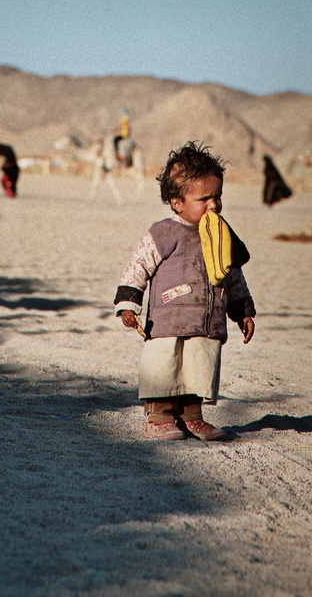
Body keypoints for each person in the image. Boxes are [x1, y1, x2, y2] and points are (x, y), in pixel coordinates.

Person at [114, 141, 256, 441]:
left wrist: (242, 311)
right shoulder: (164, 232)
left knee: (198, 365)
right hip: (168, 319)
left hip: (206, 319)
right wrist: (129, 303)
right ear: (177, 202)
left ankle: (192, 417)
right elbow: (138, 265)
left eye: (218, 196)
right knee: (165, 367)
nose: (214, 205)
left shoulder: (222, 234)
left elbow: (232, 275)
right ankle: (159, 417)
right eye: (204, 198)